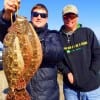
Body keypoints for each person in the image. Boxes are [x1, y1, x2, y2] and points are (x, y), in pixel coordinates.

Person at [0, 0, 64, 100]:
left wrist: (28, 45)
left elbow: (57, 52)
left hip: (46, 96)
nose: (39, 17)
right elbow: (5, 34)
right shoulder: (18, 31)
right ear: (31, 16)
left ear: (46, 19)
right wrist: (7, 14)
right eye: (36, 14)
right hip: (22, 90)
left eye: (43, 15)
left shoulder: (53, 34)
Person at [58, 4, 100, 100]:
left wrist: (91, 73)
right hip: (70, 90)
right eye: (66, 16)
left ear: (77, 17)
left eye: (72, 16)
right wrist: (67, 72)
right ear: (62, 18)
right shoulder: (58, 37)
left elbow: (97, 55)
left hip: (92, 90)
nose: (69, 19)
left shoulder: (87, 32)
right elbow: (58, 59)